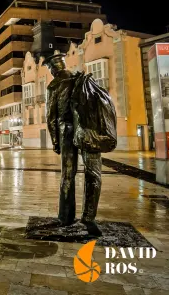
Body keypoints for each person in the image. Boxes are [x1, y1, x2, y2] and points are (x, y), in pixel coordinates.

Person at [45, 53, 116, 236]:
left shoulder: (54, 86)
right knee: (93, 174)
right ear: (64, 65)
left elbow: (51, 118)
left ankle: (66, 216)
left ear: (53, 70)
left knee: (68, 174)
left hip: (66, 132)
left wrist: (55, 142)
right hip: (88, 131)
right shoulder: (82, 79)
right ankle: (89, 218)